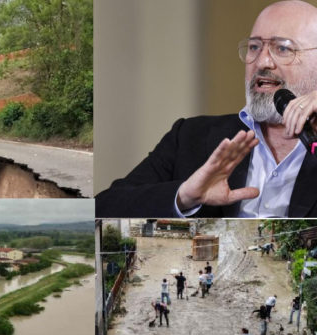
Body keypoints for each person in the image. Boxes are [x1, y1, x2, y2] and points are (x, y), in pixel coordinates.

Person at [96, 1, 317, 218]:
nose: (262, 62)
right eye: (254, 47)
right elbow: (103, 207)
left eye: (282, 48)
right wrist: (183, 197)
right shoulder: (190, 135)